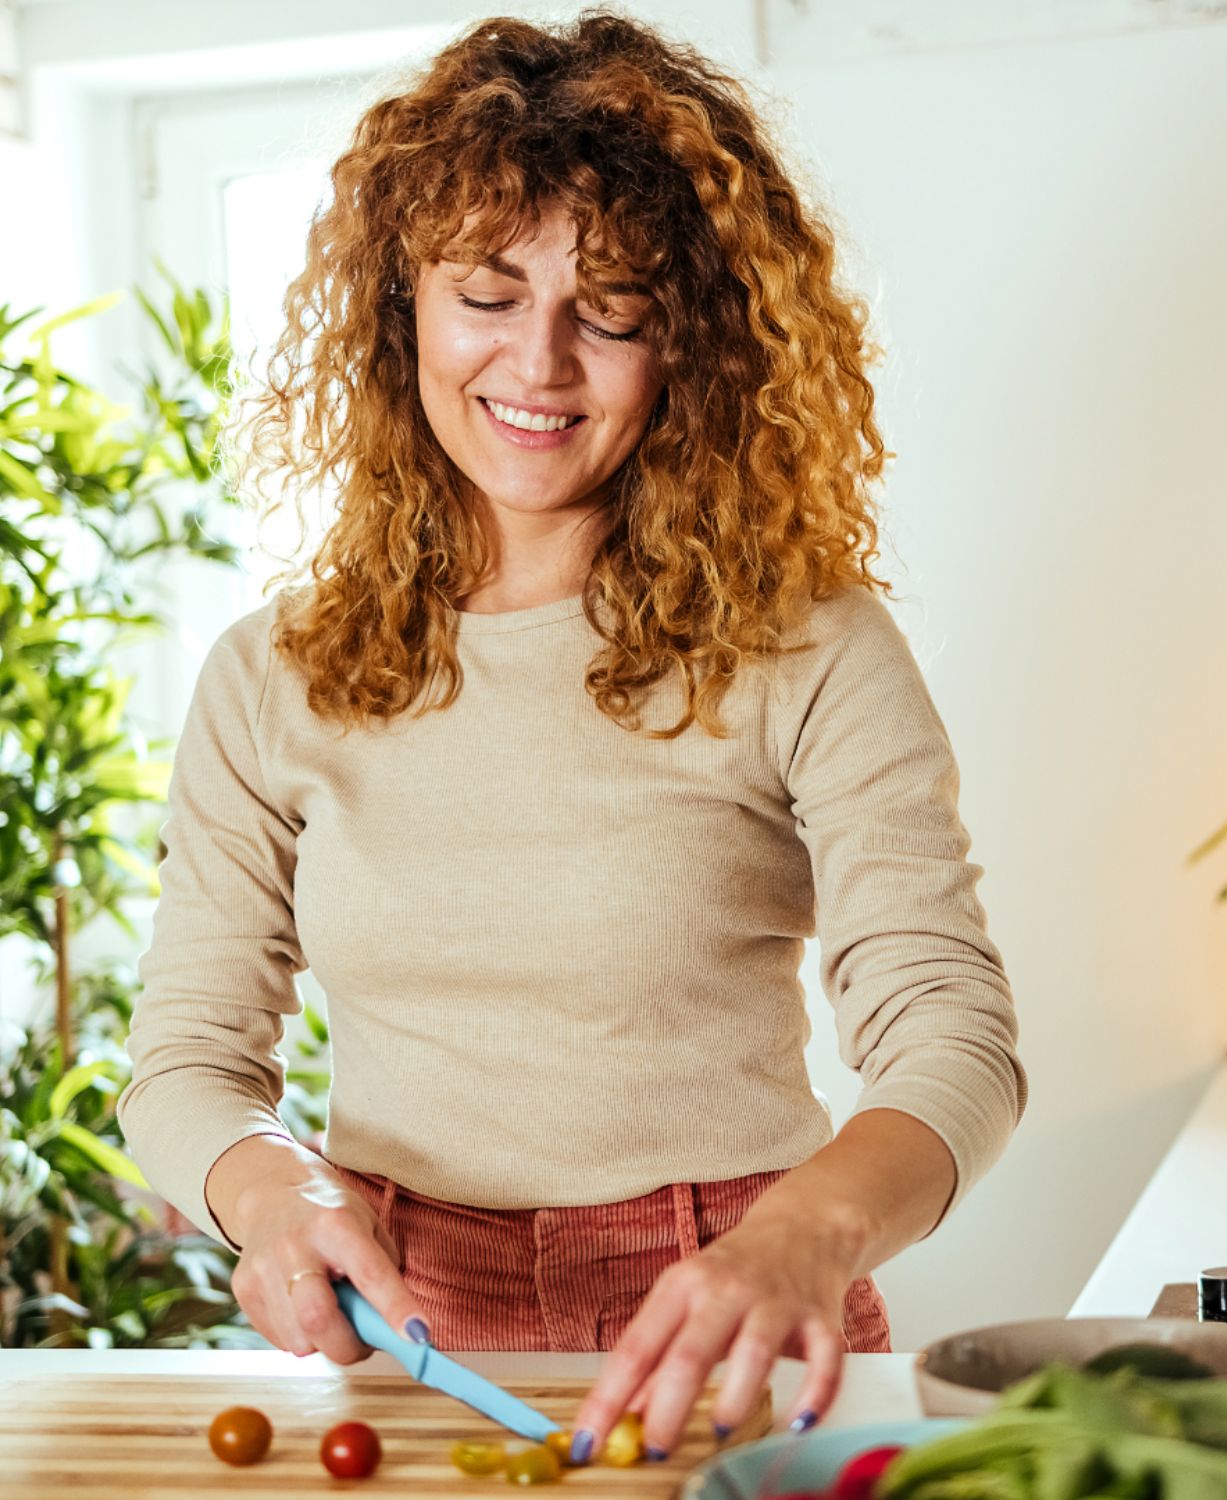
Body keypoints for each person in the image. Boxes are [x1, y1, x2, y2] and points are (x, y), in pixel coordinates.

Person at [116, 7, 1027, 1466]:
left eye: (609, 308)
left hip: (732, 1297)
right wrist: (273, 1190)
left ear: (693, 341)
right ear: (398, 307)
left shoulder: (812, 646)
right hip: (408, 1331)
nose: (540, 363)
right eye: (487, 291)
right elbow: (186, 1058)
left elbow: (953, 1039)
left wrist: (803, 1237)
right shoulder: (270, 675)